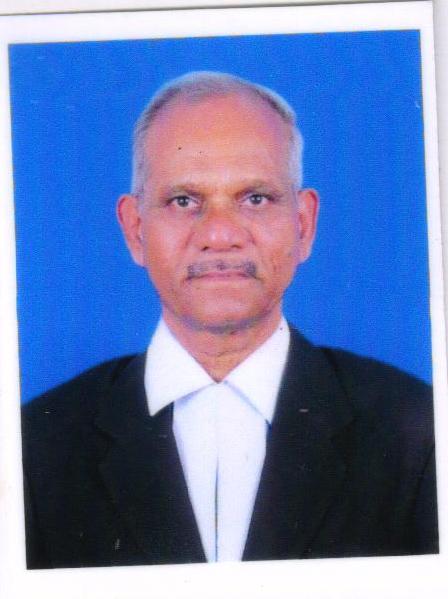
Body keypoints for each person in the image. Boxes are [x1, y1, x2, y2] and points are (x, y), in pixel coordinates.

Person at [21, 71, 438, 569]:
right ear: (135, 230)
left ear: (304, 224)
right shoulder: (33, 448)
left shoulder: (419, 432)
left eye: (255, 198)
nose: (220, 236)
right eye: (184, 201)